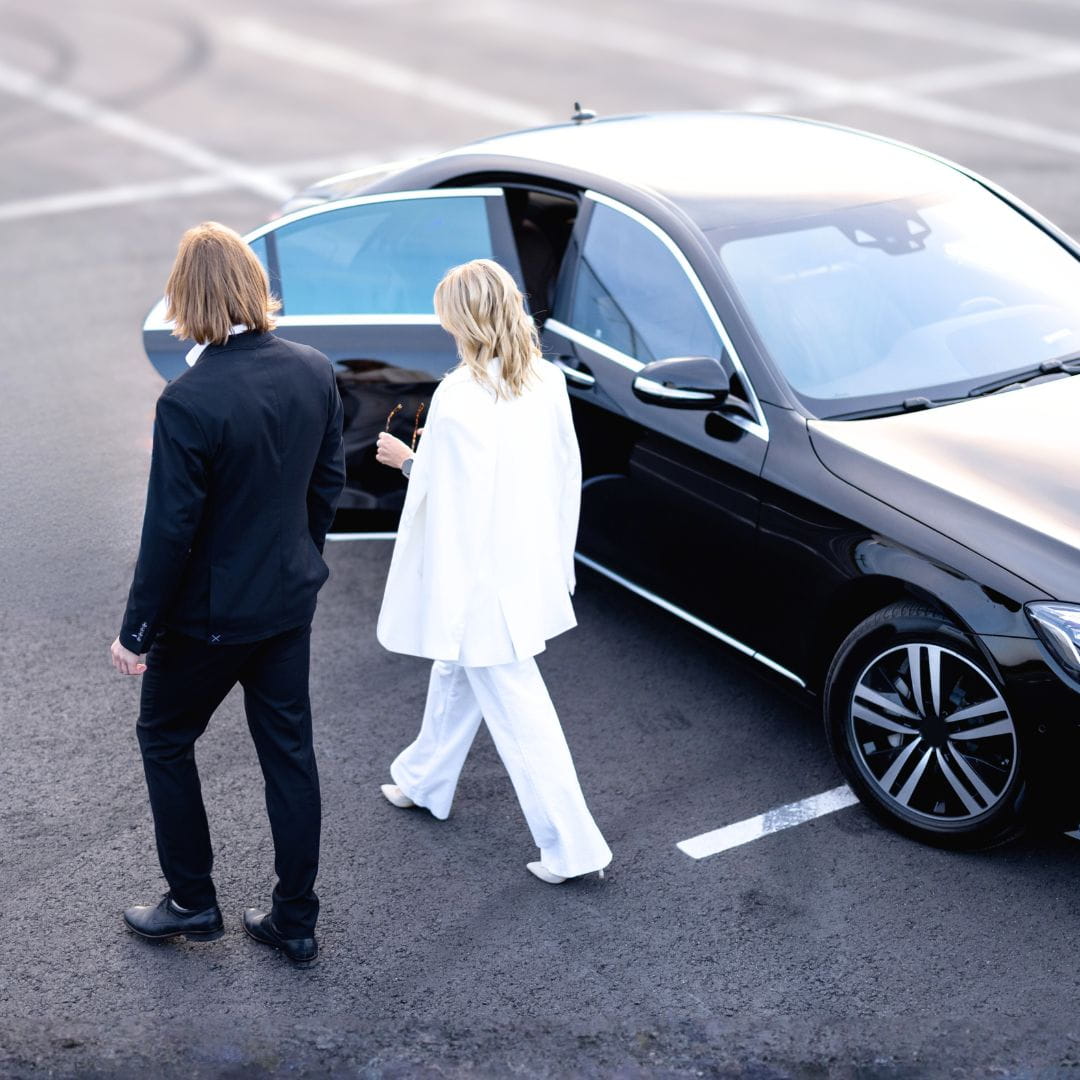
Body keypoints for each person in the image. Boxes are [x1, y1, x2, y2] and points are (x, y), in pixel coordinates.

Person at [110, 222, 345, 963]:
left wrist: (136, 631)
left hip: (210, 624)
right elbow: (327, 482)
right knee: (290, 756)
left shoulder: (189, 400)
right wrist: (301, 555)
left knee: (165, 738)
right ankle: (295, 919)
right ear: (251, 285)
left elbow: (169, 533)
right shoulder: (313, 369)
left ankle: (192, 902)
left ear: (186, 299)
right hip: (286, 606)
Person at [374, 258, 611, 884]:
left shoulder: (459, 397)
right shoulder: (546, 380)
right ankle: (424, 778)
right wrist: (559, 561)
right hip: (522, 565)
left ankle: (573, 846)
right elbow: (567, 473)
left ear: (465, 321)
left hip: (480, 580)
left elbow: (449, 495)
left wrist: (405, 460)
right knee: (456, 671)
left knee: (518, 709)